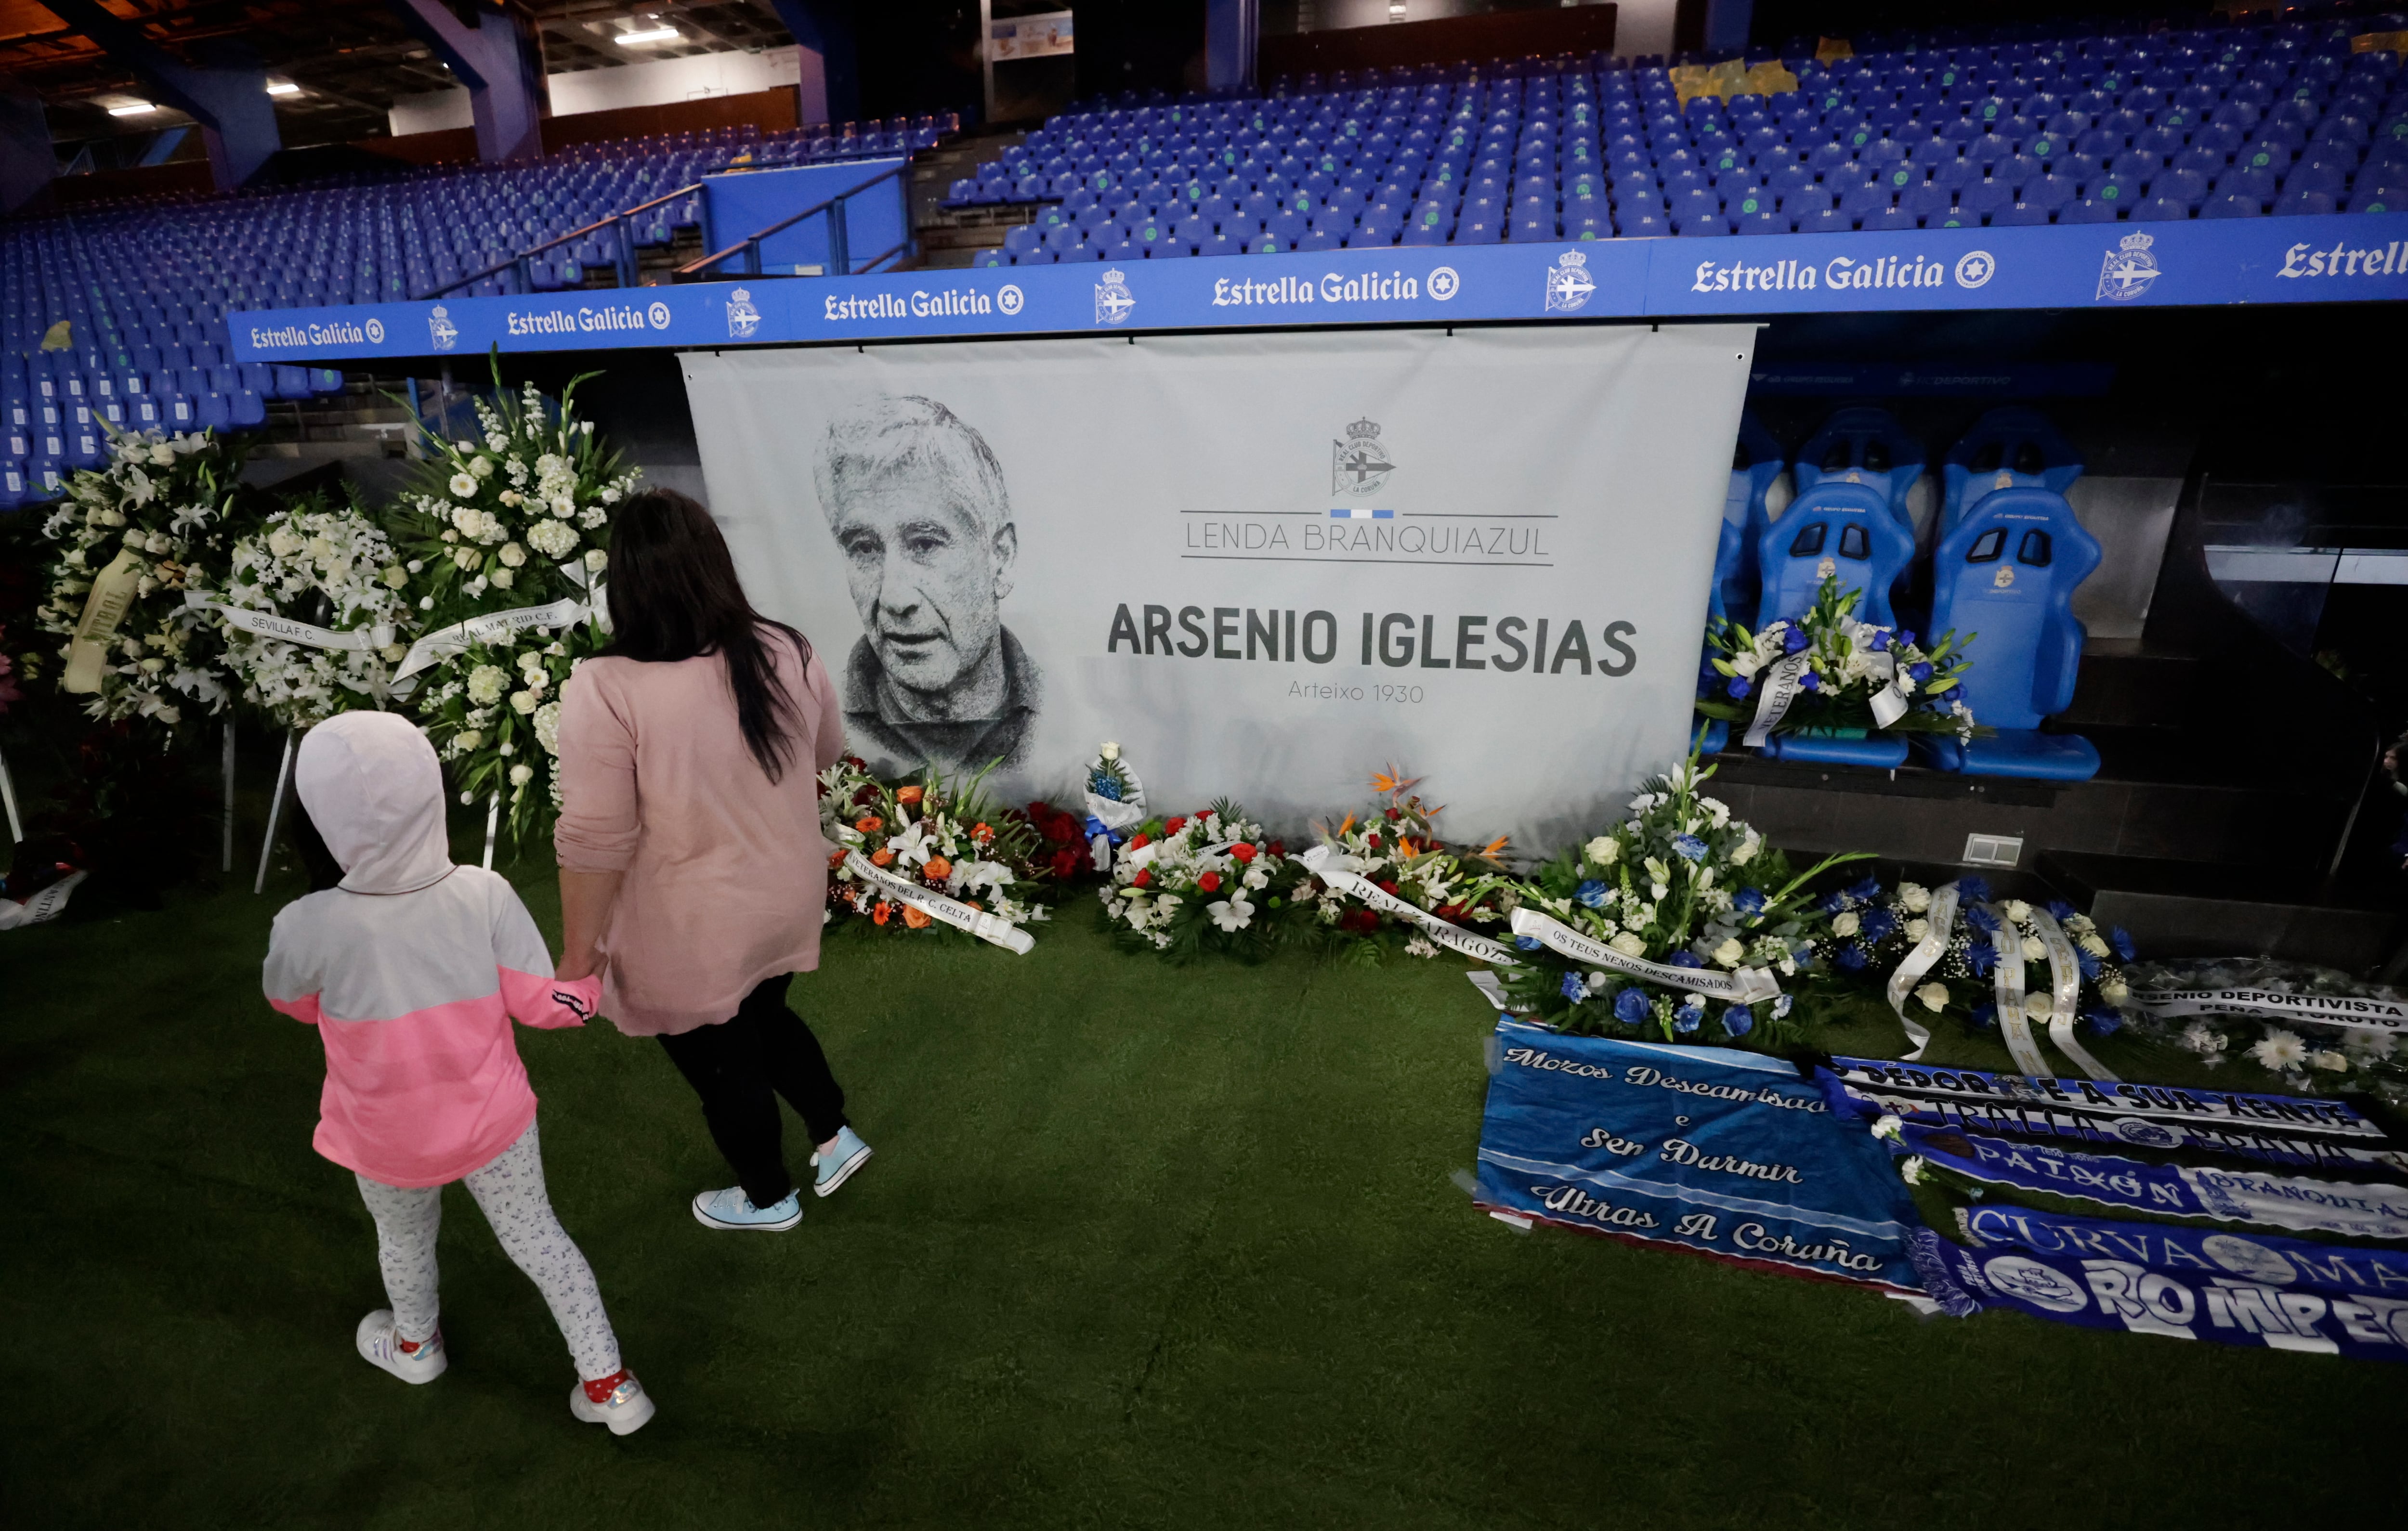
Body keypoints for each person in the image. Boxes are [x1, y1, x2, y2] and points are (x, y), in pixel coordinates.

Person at [262, 711, 654, 1436]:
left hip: (384, 1137)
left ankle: (416, 1346)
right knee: (539, 1238)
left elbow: (292, 1002)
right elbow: (547, 1004)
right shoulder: (482, 891)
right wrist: (592, 981)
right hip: (494, 1123)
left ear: (315, 820)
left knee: (405, 1239)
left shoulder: (307, 923)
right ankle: (611, 1385)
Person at [554, 487, 873, 1233]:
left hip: (691, 924)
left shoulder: (605, 686)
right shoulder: (783, 647)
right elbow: (826, 754)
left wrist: (579, 958)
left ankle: (768, 1197)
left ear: (623, 580)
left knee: (722, 1062)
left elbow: (595, 840)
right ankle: (834, 1134)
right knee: (763, 1014)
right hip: (785, 896)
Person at [813, 393, 1042, 773]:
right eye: (865, 548)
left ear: (1000, 558)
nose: (894, 597)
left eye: (925, 544)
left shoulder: (1068, 716)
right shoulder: (824, 719)